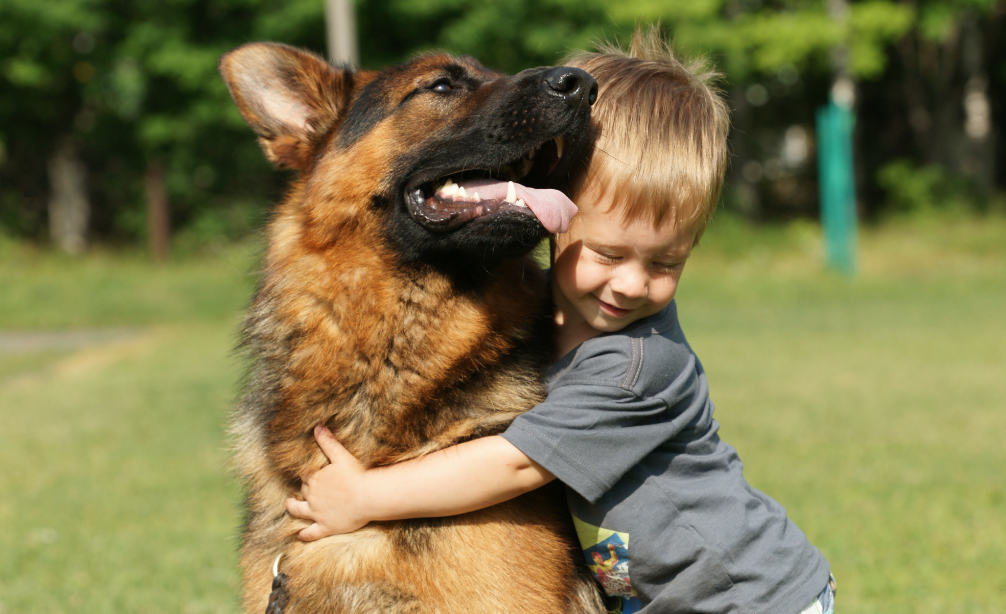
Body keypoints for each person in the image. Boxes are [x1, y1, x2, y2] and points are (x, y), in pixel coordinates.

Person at [285, 27, 835, 614]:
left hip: (748, 595)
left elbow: (515, 463)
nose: (630, 283)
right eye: (607, 254)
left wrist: (366, 495)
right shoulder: (549, 311)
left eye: (666, 263)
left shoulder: (635, 367)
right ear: (554, 215)